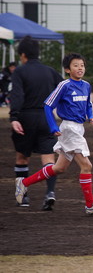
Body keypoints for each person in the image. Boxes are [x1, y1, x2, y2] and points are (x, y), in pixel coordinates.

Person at [14, 52, 93, 215]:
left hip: (79, 128)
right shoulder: (64, 85)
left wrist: (91, 116)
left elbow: (88, 103)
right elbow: (47, 105)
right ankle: (90, 205)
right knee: (86, 166)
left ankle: (24, 183)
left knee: (59, 168)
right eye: (76, 65)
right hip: (69, 129)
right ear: (67, 69)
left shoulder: (86, 85)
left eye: (82, 65)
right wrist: (53, 127)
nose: (80, 68)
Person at [9, 36, 62, 210]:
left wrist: (14, 117)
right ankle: (50, 193)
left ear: (23, 55)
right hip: (47, 118)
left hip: (26, 118)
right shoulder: (50, 71)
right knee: (48, 158)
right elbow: (63, 89)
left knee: (22, 157)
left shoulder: (20, 72)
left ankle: (22, 196)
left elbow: (17, 96)